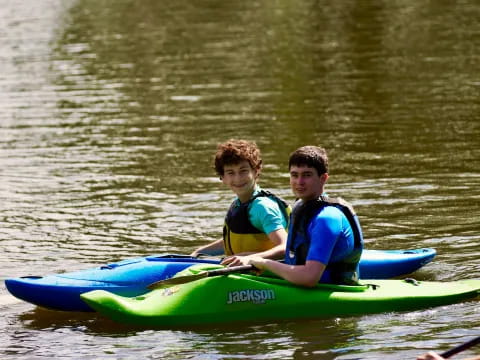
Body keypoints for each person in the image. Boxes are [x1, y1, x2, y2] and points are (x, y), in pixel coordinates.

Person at [248, 145, 364, 287]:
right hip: (301, 284)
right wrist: (252, 258)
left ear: (323, 178)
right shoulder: (300, 207)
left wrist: (264, 263)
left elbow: (309, 277)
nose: (299, 182)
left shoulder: (326, 218)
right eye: (294, 175)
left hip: (331, 290)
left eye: (307, 175)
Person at [190, 139, 290, 266]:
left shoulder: (263, 207)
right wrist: (200, 252)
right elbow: (235, 239)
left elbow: (286, 246)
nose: (238, 178)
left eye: (243, 171)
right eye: (231, 173)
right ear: (223, 177)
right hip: (246, 271)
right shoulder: (239, 203)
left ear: (256, 171)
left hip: (266, 276)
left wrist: (250, 258)